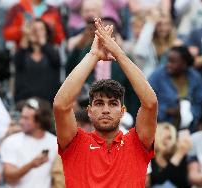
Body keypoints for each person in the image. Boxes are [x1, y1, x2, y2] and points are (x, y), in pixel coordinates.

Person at [53, 18, 158, 187]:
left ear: (123, 111)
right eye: (99, 103)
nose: (106, 109)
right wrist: (93, 55)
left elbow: (150, 103)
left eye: (113, 103)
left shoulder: (137, 143)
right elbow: (61, 105)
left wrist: (119, 53)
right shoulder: (75, 142)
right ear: (89, 110)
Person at [0, 98, 58, 188]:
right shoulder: (11, 142)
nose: (21, 122)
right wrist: (31, 165)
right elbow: (9, 177)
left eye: (26, 118)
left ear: (39, 121)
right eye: (21, 117)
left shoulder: (55, 143)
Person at [148, 46, 202, 130]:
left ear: (184, 63)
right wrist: (166, 111)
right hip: (162, 128)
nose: (168, 64)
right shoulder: (158, 75)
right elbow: (147, 100)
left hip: (188, 129)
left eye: (173, 62)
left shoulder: (195, 78)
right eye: (168, 60)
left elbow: (199, 104)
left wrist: (188, 114)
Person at [14, 18, 61, 104]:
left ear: (47, 33)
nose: (36, 32)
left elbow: (56, 61)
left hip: (48, 103)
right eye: (33, 29)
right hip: (25, 101)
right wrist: (25, 36)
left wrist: (43, 41)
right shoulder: (23, 52)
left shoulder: (52, 51)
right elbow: (18, 62)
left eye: (41, 29)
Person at [150, 122, 192, 188]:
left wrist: (179, 154)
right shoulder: (149, 159)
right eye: (164, 138)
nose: (168, 142)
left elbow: (184, 183)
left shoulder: (181, 157)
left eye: (170, 138)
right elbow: (157, 180)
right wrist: (178, 155)